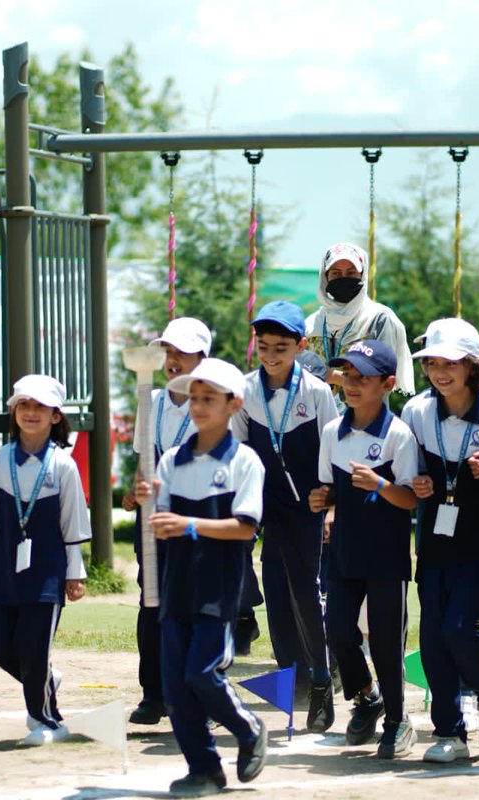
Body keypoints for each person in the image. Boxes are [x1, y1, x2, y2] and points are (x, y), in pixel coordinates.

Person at [134, 358, 268, 796]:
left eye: (209, 398)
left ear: (234, 404)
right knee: (174, 685)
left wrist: (188, 524)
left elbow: (245, 528)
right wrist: (148, 503)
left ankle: (247, 728)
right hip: (176, 586)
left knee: (202, 673)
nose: (198, 406)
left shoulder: (246, 461)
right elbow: (161, 524)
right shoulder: (172, 460)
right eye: (194, 397)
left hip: (218, 588)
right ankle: (204, 768)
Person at [401, 318, 479, 763]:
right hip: (433, 538)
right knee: (432, 637)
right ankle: (449, 733)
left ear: (472, 366)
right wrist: (417, 483)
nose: (439, 371)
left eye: (450, 362)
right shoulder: (414, 411)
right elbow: (406, 470)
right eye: (432, 362)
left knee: (459, 629)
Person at [0, 374, 89, 746]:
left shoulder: (63, 465)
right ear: (13, 411)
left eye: (40, 407)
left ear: (56, 416)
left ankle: (48, 721)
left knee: (33, 647)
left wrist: (74, 574)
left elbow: (74, 524)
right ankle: (43, 676)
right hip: (3, 573)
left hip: (46, 575)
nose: (31, 413)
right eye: (24, 405)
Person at [309, 339, 419, 759]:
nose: (351, 385)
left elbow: (410, 499)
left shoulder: (399, 434)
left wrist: (381, 485)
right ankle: (366, 696)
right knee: (338, 630)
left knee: (388, 641)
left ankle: (396, 720)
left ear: (388, 383)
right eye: (347, 376)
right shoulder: (331, 432)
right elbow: (328, 490)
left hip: (387, 555)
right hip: (344, 552)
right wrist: (322, 501)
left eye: (363, 378)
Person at [233, 300, 339, 733]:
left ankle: (320, 681)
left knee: (306, 593)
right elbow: (239, 453)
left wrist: (331, 505)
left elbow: (333, 448)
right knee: (274, 589)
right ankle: (289, 673)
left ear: (299, 346)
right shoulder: (245, 391)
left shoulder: (316, 392)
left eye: (281, 346)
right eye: (264, 345)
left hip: (308, 510)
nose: (271, 354)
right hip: (267, 505)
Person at [121, 317, 212, 725]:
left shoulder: (211, 402)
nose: (173, 361)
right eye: (168, 352)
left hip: (193, 520)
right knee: (151, 603)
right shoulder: (150, 399)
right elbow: (144, 464)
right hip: (153, 523)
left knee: (193, 605)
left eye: (183, 353)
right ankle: (153, 694)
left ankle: (199, 694)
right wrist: (134, 492)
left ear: (202, 359)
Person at [304, 243, 415, 396]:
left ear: (362, 275)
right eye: (336, 273)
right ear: (325, 276)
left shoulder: (378, 319)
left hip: (365, 417)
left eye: (350, 273)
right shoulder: (311, 324)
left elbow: (381, 378)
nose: (343, 279)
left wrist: (334, 377)